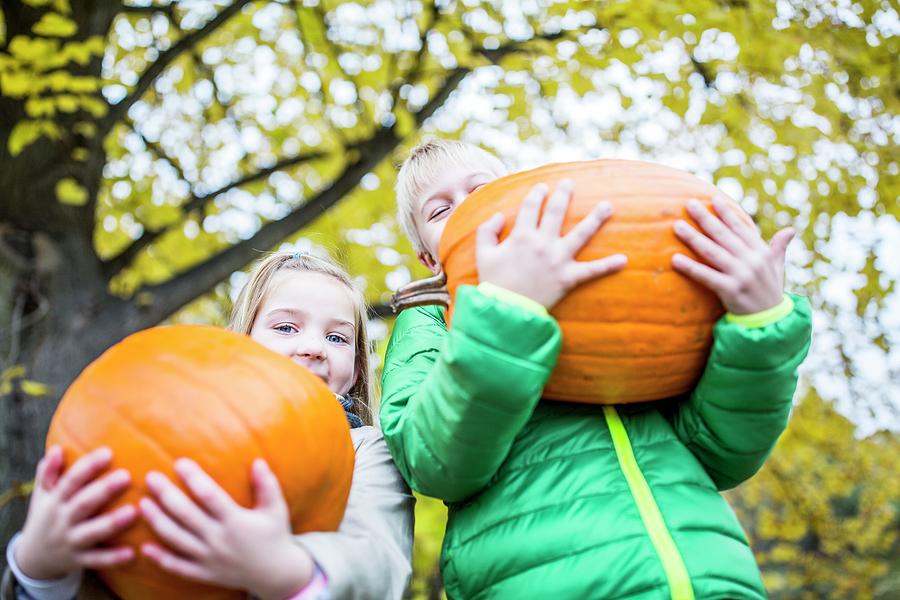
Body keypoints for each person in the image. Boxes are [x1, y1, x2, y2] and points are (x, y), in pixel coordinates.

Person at [380, 138, 812, 598]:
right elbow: (433, 462)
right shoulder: (428, 322)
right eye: (440, 211)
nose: (470, 210)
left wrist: (757, 325)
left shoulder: (616, 287)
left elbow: (727, 451)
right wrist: (508, 313)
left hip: (706, 576)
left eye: (482, 190)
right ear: (428, 258)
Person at [4, 251, 414, 600]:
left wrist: (283, 569)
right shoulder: (173, 429)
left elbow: (380, 563)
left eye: (338, 338)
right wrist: (40, 568)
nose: (313, 347)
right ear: (241, 343)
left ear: (358, 368)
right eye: (285, 327)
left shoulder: (368, 449)